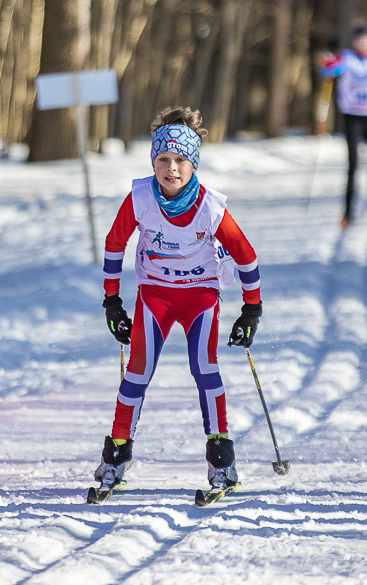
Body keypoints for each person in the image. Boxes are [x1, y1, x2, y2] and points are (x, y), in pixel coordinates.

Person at [95, 107, 263, 498]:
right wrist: (112, 302)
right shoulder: (139, 197)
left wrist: (251, 309)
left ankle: (222, 461)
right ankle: (117, 455)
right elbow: (113, 245)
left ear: (194, 164)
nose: (171, 169)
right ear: (153, 161)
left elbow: (246, 256)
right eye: (163, 160)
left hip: (200, 296)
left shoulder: (210, 207)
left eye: (181, 161)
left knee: (205, 368)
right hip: (155, 295)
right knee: (136, 372)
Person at [320, 24, 367, 229]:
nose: (365, 42)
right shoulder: (347, 58)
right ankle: (348, 214)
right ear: (354, 42)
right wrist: (330, 56)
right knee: (353, 165)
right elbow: (327, 71)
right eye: (360, 39)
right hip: (352, 116)